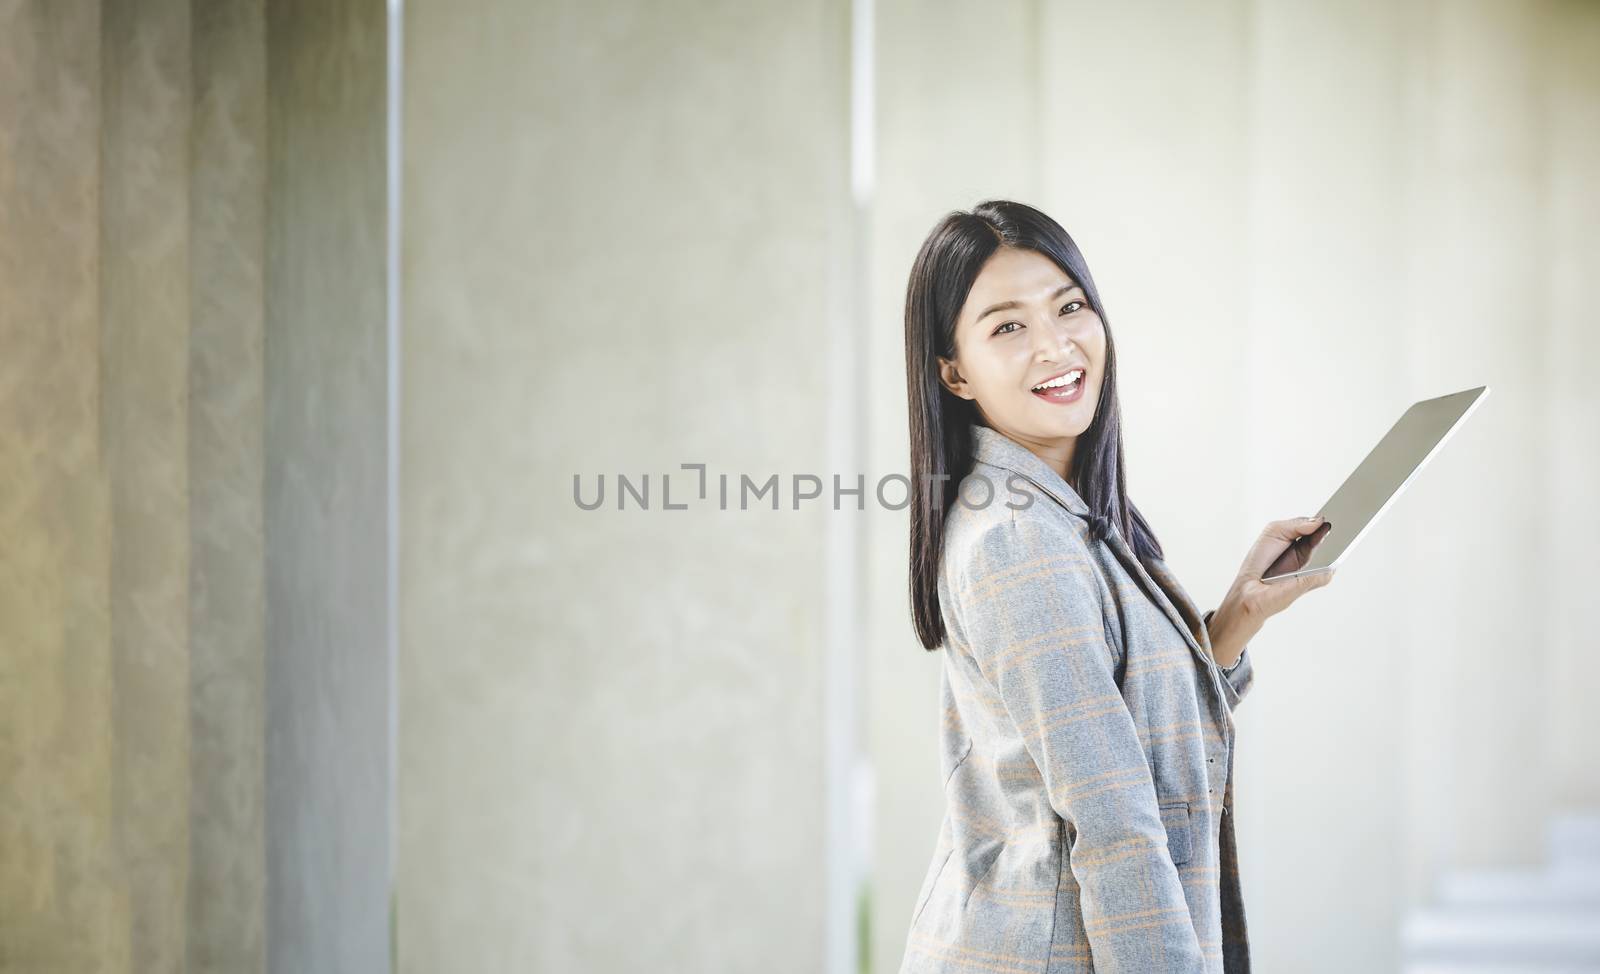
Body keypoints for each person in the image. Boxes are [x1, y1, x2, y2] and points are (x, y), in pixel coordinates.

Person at [899, 200, 1333, 974]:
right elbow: (1115, 824)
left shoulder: (1057, 511)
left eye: (1069, 307)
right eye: (1007, 327)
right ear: (953, 372)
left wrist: (1230, 620)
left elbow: (1119, 731)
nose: (1055, 345)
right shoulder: (1019, 543)